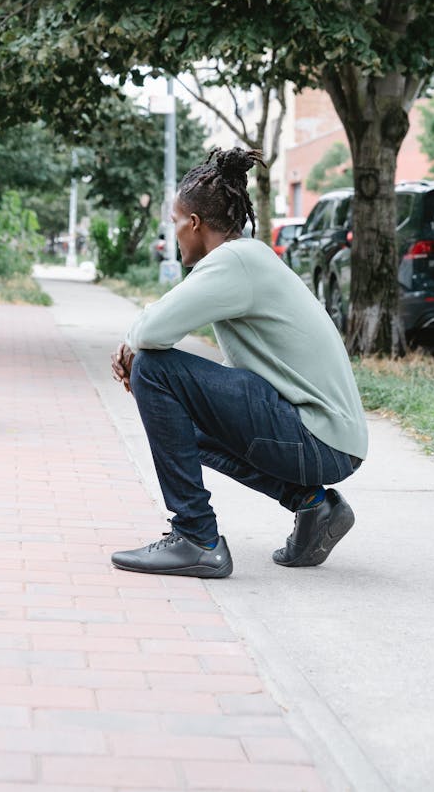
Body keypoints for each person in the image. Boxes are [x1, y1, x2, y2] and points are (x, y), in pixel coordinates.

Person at [110, 146, 367, 579]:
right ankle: (312, 506)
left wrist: (131, 349)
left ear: (193, 224)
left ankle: (196, 537)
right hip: (328, 441)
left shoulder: (235, 261)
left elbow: (153, 331)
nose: (174, 234)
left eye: (175, 223)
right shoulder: (245, 257)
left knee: (153, 368)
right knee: (181, 422)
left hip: (320, 439)